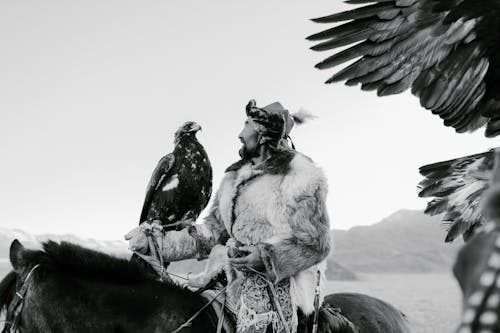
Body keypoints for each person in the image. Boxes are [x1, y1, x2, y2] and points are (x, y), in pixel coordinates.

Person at [126, 100, 332, 333]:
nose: (239, 135)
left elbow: (316, 244)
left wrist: (266, 258)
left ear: (264, 134)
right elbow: (211, 234)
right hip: (230, 281)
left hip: (278, 290)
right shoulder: (233, 180)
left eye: (247, 125)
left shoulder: (300, 177)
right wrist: (158, 245)